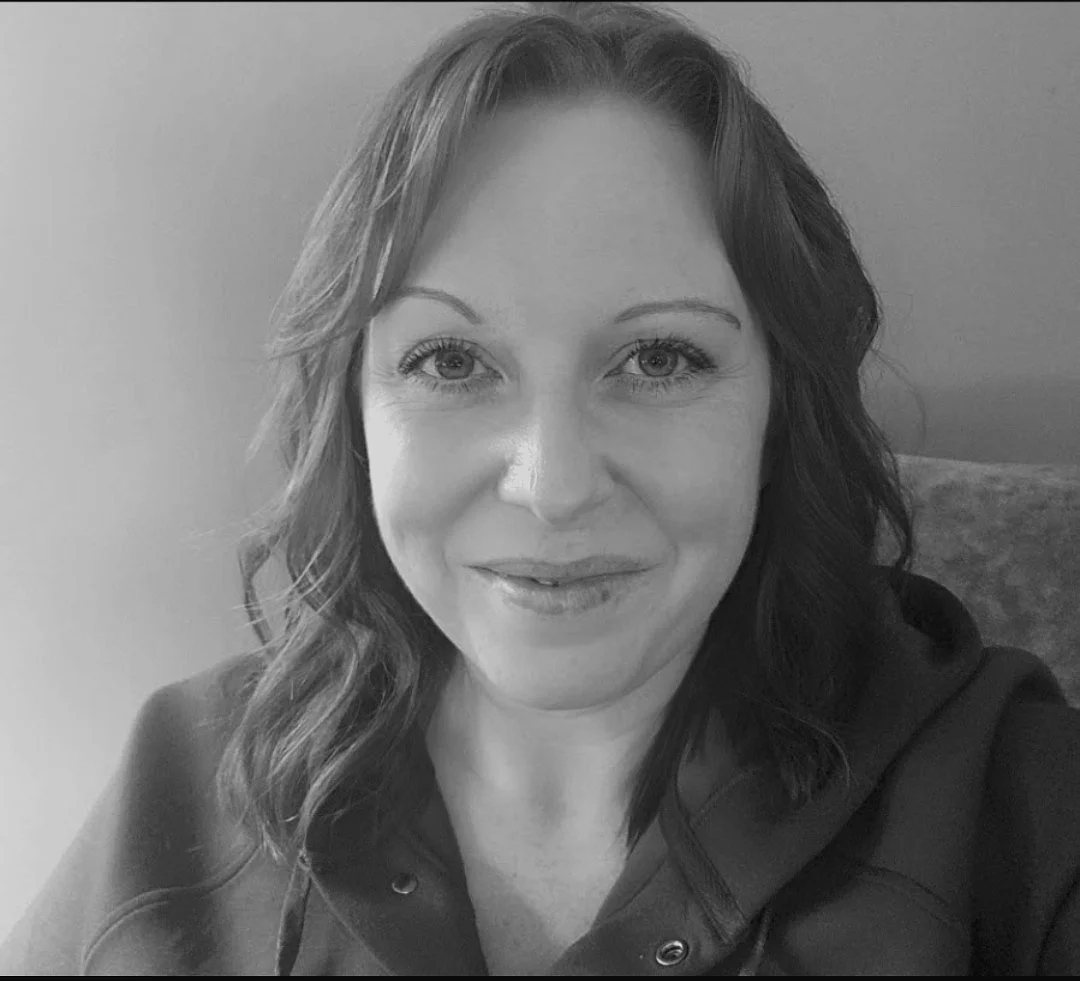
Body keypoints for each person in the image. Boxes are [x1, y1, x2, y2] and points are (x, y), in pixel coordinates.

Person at [3, 1, 1078, 975]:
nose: (553, 487)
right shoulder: (184, 778)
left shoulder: (1011, 798)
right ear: (355, 414)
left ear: (777, 410)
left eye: (659, 358)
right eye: (452, 363)